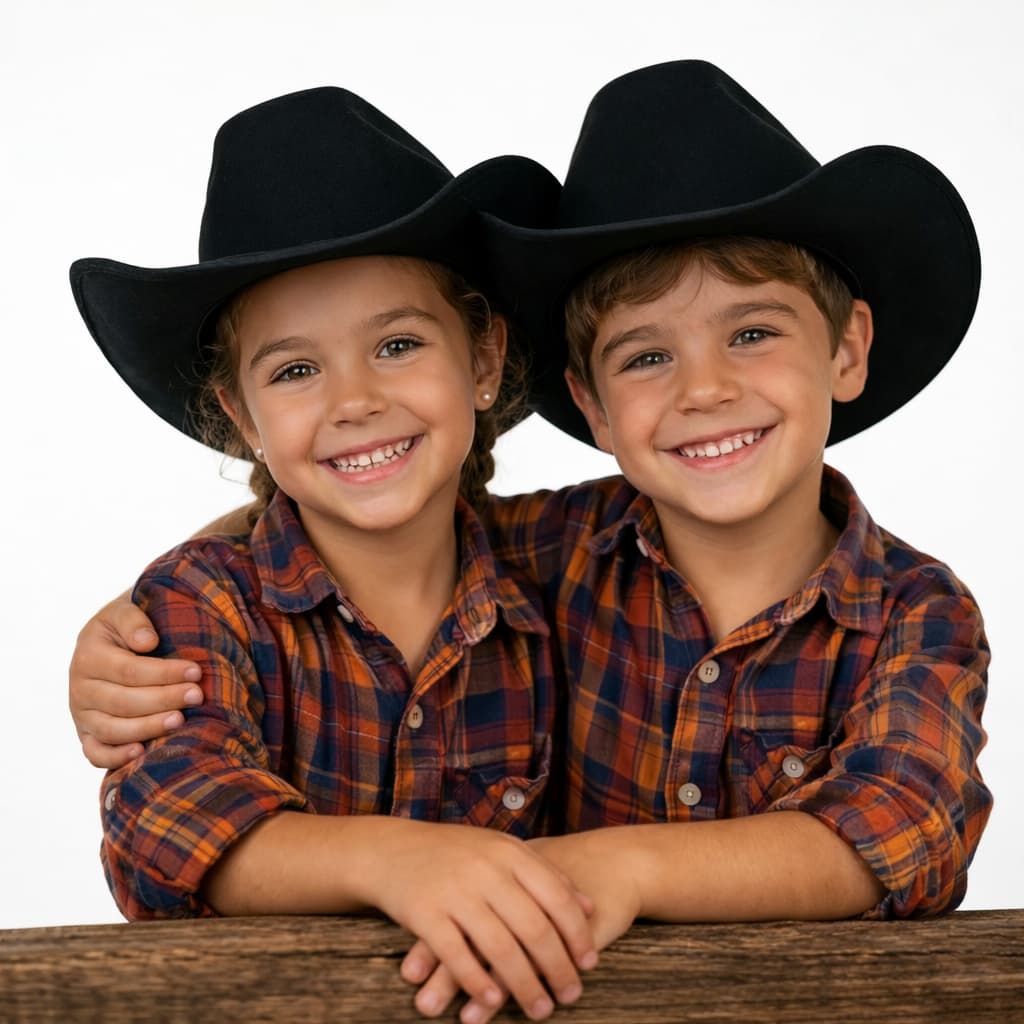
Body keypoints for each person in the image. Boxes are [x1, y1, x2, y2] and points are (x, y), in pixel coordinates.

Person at [70, 62, 992, 1022]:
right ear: (590, 401)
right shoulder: (532, 558)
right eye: (647, 356)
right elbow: (167, 816)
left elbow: (906, 826)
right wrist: (136, 618)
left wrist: (604, 868)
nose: (706, 389)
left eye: (753, 332)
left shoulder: (906, 608)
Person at [69, 86, 599, 1024]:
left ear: (482, 361)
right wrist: (395, 858)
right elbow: (161, 823)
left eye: (397, 344)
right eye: (297, 371)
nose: (353, 401)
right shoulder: (203, 605)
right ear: (242, 418)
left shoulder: (562, 564)